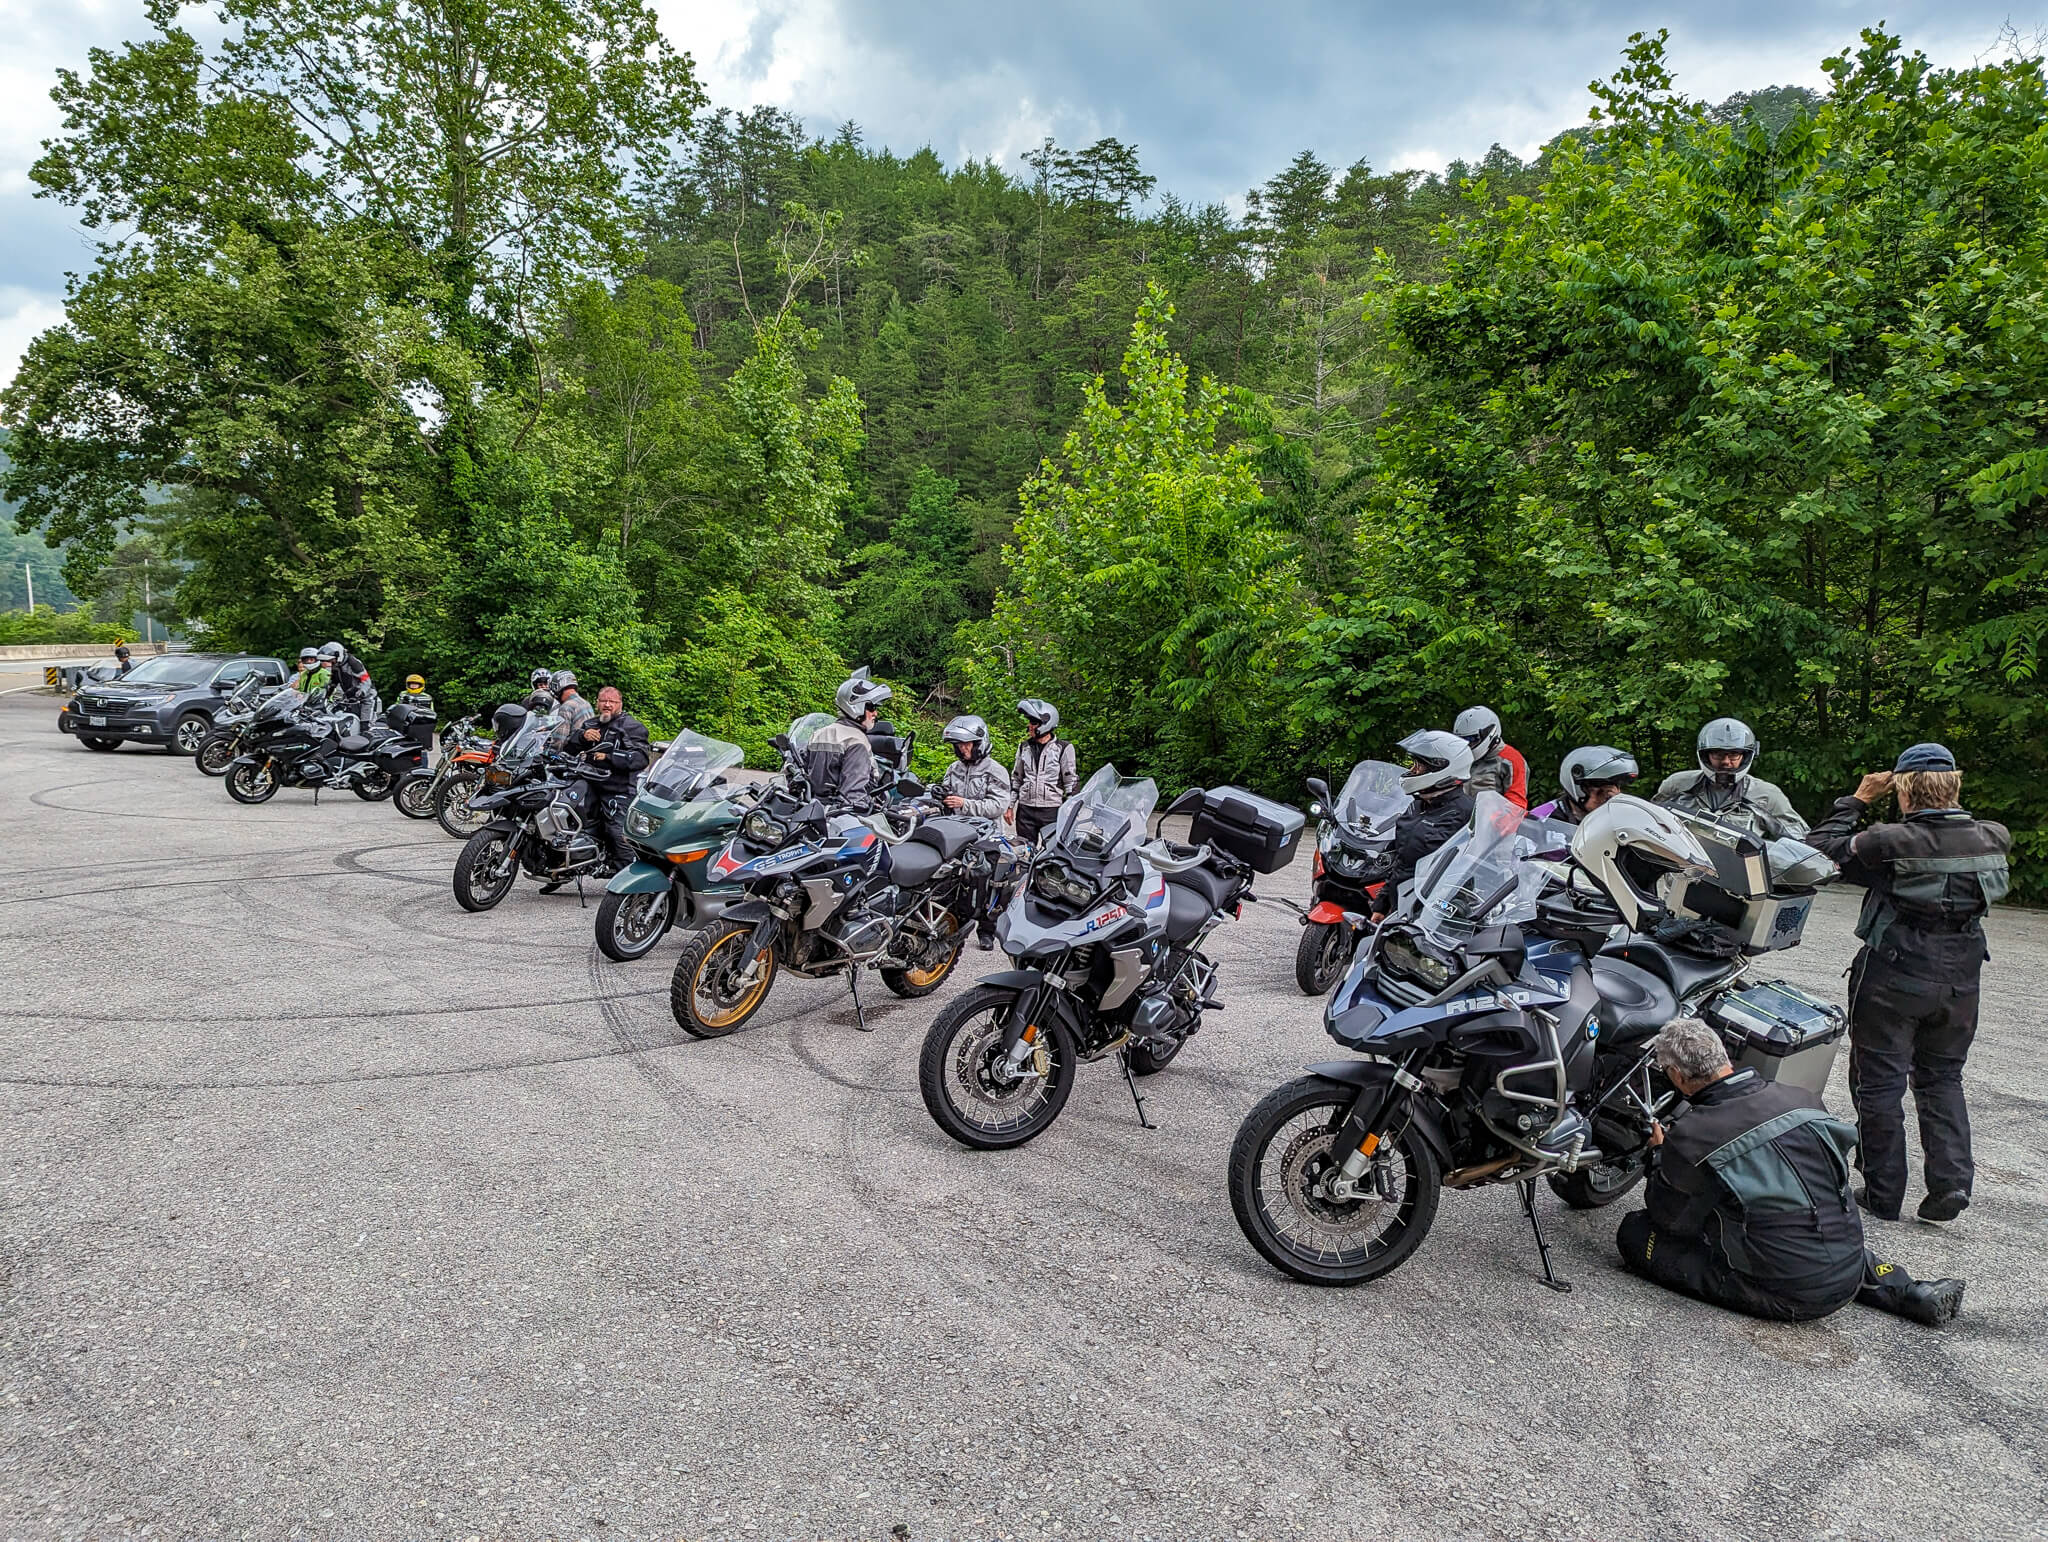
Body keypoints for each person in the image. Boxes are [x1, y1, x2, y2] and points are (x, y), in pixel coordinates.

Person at [1616, 1017, 1965, 1327]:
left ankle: (1785, 1279)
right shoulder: (1801, 1098)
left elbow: (1670, 1219)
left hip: (1787, 1292)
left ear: (1676, 1076)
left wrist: (1660, 1155)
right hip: (1849, 1261)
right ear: (1724, 1057)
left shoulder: (1693, 1136)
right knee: (1807, 1226)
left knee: (1634, 1232)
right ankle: (1910, 1291)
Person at [1805, 743, 2011, 1224]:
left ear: (1903, 789)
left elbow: (1815, 853)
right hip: (1962, 975)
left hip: (1894, 972)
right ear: (1953, 786)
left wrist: (1856, 800)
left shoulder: (1891, 841)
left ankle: (1883, 1191)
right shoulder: (1992, 837)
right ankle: (1952, 1181)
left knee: (1878, 1083)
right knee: (1942, 1078)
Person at [1371, 729, 1476, 921]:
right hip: (1401, 908)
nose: (1413, 771)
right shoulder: (1418, 805)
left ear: (1440, 768)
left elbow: (1475, 873)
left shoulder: (1467, 813)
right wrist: (1382, 903)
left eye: (1419, 766)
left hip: (1435, 917)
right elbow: (1402, 862)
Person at [1655, 718, 1808, 838]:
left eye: (1734, 754)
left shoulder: (1766, 795)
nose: (1726, 761)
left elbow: (1798, 838)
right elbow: (1651, 822)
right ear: (1705, 755)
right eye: (1718, 754)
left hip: (1738, 873)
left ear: (1746, 756)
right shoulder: (1677, 785)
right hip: (1680, 871)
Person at [937, 715, 1015, 948]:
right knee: (957, 880)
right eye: (959, 745)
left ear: (980, 742)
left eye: (967, 744)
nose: (963, 749)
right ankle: (953, 926)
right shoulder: (954, 768)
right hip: (958, 833)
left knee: (990, 883)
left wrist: (963, 803)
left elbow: (998, 806)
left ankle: (987, 931)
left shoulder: (996, 770)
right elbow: (946, 793)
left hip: (987, 836)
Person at [576, 686, 651, 870]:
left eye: (612, 701)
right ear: (597, 703)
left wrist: (609, 757)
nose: (607, 705)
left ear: (620, 704)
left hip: (619, 788)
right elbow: (569, 749)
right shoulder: (590, 725)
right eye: (603, 701)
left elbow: (641, 758)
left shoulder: (631, 727)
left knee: (617, 832)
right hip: (589, 785)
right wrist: (582, 737)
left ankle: (627, 878)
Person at [803, 667, 890, 813]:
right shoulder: (855, 740)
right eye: (871, 707)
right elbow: (853, 793)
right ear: (857, 706)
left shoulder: (819, 733)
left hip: (813, 808)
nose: (875, 713)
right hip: (840, 814)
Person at [1012, 698, 1078, 845]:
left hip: (1051, 809)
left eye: (1033, 722)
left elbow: (1071, 782)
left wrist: (1071, 810)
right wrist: (1010, 806)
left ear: (1046, 724)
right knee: (1024, 852)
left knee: (1053, 852)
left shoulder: (1063, 748)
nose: (1029, 726)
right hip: (1025, 809)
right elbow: (1016, 778)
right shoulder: (1024, 747)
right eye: (1029, 722)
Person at [1455, 706, 1528, 808]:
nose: (1468, 745)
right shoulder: (1459, 756)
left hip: (1490, 820)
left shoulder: (1511, 759)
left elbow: (1516, 804)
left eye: (1471, 739)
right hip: (1457, 816)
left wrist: (1493, 821)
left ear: (1490, 733)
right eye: (1462, 740)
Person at [1556, 745, 1640, 824]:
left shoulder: (1623, 817)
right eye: (1599, 785)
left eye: (1617, 785)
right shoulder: (1546, 816)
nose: (1611, 794)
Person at [547, 670, 593, 751]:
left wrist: (547, 752)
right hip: (583, 755)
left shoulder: (567, 706)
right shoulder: (586, 703)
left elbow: (559, 740)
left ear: (556, 687)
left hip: (571, 756)